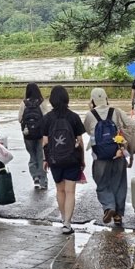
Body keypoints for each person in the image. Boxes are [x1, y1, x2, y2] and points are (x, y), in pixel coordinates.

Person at [83, 88, 135, 225]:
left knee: (102, 183)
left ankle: (109, 206)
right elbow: (133, 125)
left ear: (92, 100)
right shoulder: (116, 111)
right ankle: (118, 215)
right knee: (119, 183)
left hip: (99, 157)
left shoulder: (90, 115)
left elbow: (87, 130)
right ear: (107, 98)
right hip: (118, 153)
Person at [42, 85, 85, 235]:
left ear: (52, 100)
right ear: (67, 99)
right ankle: (67, 222)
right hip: (72, 158)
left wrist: (45, 159)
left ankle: (62, 218)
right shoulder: (73, 117)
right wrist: (82, 160)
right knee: (70, 191)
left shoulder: (47, 118)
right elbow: (80, 141)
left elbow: (45, 142)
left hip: (54, 159)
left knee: (60, 190)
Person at [18, 83, 49, 190]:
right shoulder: (42, 102)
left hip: (27, 134)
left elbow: (19, 119)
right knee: (41, 156)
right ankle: (43, 181)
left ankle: (35, 176)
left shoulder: (24, 103)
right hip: (41, 133)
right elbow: (47, 117)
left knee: (32, 155)